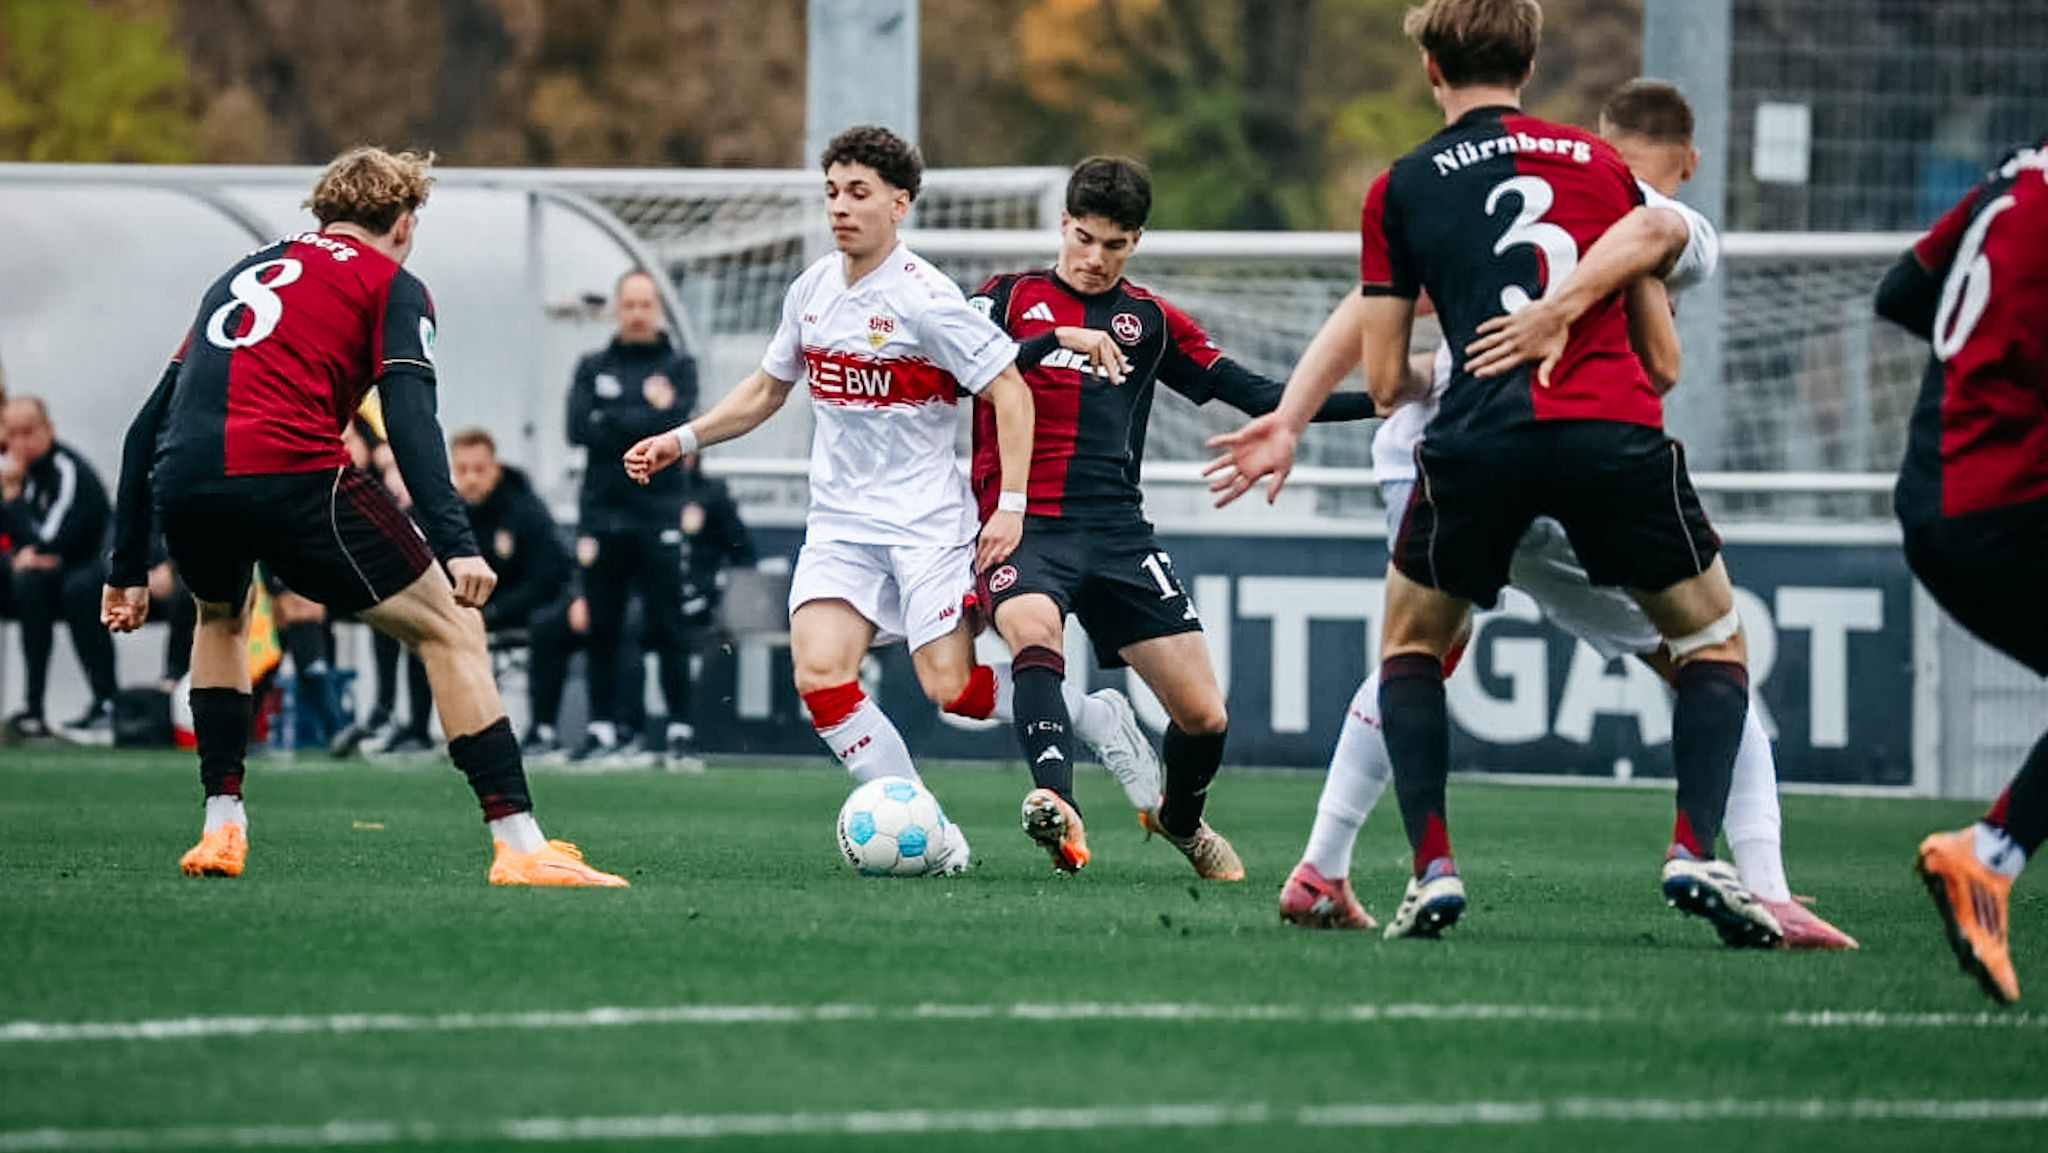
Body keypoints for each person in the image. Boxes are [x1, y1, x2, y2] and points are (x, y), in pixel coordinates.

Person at [1207, 0, 1775, 947]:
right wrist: (1567, 322)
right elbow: (1664, 363)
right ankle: (1696, 848)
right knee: (1713, 646)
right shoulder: (1607, 171)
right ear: (1533, 60)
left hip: (1476, 444)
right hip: (1608, 438)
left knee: (1412, 652)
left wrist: (1395, 382)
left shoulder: (1405, 187)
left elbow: (1387, 378)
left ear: (1431, 68)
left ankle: (1427, 867)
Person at [101, 146, 626, 887]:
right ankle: (519, 841)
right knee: (451, 626)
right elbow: (411, 420)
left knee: (218, 616)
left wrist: (124, 565)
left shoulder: (239, 274)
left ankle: (222, 827)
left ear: (324, 212)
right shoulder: (391, 281)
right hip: (293, 473)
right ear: (405, 224)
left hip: (186, 478)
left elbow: (144, 425)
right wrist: (458, 544)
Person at [624, 125, 1040, 873]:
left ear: (899, 203)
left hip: (925, 523)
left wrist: (1009, 504)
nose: (840, 208)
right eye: (831, 193)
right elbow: (765, 390)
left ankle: (1067, 709)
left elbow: (1010, 391)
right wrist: (680, 440)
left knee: (951, 688)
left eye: (858, 193)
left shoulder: (927, 299)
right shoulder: (812, 290)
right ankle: (930, 832)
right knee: (818, 673)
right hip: (842, 525)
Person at [966, 156, 1376, 877]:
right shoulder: (1004, 299)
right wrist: (1057, 340)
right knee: (1033, 635)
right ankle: (1057, 803)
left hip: (1119, 534)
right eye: (1084, 238)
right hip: (1026, 525)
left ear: (1136, 242)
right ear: (1063, 225)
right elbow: (960, 371)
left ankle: (1179, 819)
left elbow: (1259, 395)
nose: (1094, 259)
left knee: (1205, 716)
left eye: (1113, 245)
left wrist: (1388, 398)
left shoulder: (1149, 323)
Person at [1877, 136, 2048, 1004]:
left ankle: (1991, 854)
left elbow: (1902, 290)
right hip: (2005, 503)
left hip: (1935, 488)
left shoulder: (2011, 183)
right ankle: (1987, 853)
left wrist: (1988, 369)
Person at [565, 268, 701, 766]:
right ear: (618, 309)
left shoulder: (680, 365)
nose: (638, 313)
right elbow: (577, 427)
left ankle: (680, 729)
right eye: (631, 304)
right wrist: (642, 416)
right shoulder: (590, 364)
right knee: (603, 625)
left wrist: (613, 416)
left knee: (669, 626)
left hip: (658, 513)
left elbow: (677, 424)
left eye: (647, 304)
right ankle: (604, 728)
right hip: (601, 515)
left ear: (657, 309)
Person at [448, 426, 576, 748]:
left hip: (523, 606)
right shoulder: (445, 514)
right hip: (470, 608)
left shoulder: (526, 509)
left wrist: (493, 611)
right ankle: (423, 729)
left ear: (496, 468)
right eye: (462, 470)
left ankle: (543, 728)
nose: (471, 479)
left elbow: (545, 579)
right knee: (422, 624)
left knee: (548, 624)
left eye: (479, 469)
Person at [0, 396, 119, 740]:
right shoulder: (15, 473)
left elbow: (50, 538)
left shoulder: (67, 469)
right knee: (27, 582)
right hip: (41, 575)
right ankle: (33, 708)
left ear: (47, 430)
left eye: (29, 432)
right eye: (13, 434)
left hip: (86, 568)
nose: (21, 443)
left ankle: (105, 701)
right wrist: (16, 559)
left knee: (78, 590)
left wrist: (12, 502)